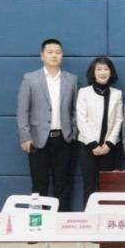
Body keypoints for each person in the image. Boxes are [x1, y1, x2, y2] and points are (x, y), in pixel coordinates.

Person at [16, 38, 78, 211]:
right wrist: (25, 137)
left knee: (62, 184)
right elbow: (23, 111)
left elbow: (75, 110)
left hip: (64, 139)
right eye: (50, 52)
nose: (54, 55)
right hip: (37, 139)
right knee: (39, 184)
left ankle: (61, 221)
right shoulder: (30, 78)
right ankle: (39, 222)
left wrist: (73, 133)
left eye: (58, 52)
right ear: (42, 56)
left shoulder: (71, 80)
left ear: (62, 56)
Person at [76, 56, 123, 205]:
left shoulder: (117, 93)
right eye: (99, 69)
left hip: (109, 147)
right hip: (88, 146)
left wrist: (109, 143)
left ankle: (106, 217)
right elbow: (81, 120)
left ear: (111, 72)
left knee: (107, 187)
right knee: (89, 187)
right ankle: (88, 217)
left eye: (106, 69)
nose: (102, 72)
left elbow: (119, 120)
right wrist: (93, 144)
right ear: (93, 72)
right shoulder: (84, 92)